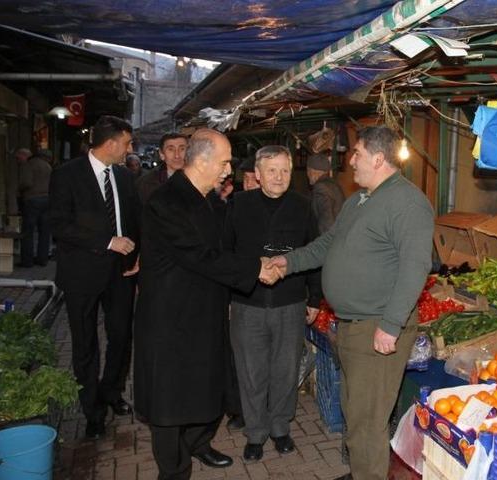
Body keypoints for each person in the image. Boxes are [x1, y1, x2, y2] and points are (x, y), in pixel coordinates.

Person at [267, 126, 434, 480]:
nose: (350, 160)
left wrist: (390, 326)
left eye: (356, 153)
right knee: (354, 412)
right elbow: (328, 244)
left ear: (377, 158)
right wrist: (288, 262)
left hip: (376, 328)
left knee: (367, 423)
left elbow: (415, 266)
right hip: (351, 327)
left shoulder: (407, 202)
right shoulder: (360, 200)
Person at [133, 128, 277, 479]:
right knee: (169, 400)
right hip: (171, 319)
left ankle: (198, 444)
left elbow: (227, 248)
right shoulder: (165, 202)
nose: (229, 169)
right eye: (225, 161)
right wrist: (255, 269)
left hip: (206, 313)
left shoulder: (210, 200)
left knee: (208, 389)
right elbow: (200, 256)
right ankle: (174, 469)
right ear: (203, 160)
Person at [223, 145, 321, 462]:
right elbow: (225, 255)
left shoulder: (304, 207)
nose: (279, 176)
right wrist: (227, 297)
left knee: (285, 370)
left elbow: (315, 254)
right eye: (272, 170)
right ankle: (255, 433)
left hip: (290, 303)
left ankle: (280, 428)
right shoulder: (237, 204)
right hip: (247, 303)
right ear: (258, 174)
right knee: (251, 372)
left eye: (285, 170)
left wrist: (315, 298)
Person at [49, 115, 141, 440]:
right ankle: (92, 410)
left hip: (120, 273)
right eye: (128, 143)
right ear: (112, 143)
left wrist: (136, 255)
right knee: (85, 344)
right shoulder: (66, 175)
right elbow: (59, 225)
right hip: (81, 274)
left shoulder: (126, 177)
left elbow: (134, 220)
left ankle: (111, 392)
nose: (130, 149)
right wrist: (106, 242)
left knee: (121, 336)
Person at [18, 151, 52, 267]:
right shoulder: (47, 166)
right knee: (44, 231)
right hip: (47, 199)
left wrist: (20, 189)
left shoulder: (29, 165)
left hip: (32, 199)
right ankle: (42, 259)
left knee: (28, 231)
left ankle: (27, 261)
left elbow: (26, 182)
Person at [136, 132, 188, 204]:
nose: (177, 155)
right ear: (162, 154)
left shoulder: (201, 178)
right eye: (171, 149)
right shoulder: (146, 183)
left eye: (182, 149)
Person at [306, 152, 346, 234]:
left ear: (312, 172)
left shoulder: (320, 188)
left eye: (308, 171)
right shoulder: (335, 185)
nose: (307, 175)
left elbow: (327, 221)